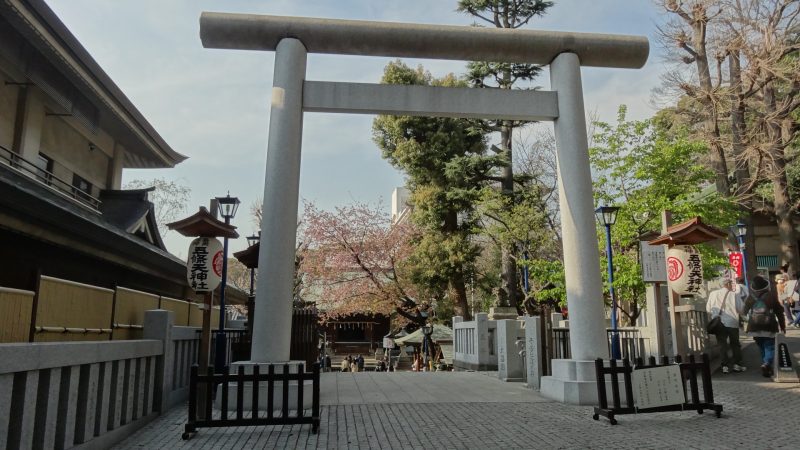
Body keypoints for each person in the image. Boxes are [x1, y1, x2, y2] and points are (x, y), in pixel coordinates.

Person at [743, 274, 786, 377]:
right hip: (769, 325)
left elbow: (744, 311)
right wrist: (783, 326)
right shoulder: (771, 296)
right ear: (765, 286)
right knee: (770, 346)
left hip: (754, 326)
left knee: (762, 346)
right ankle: (767, 364)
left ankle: (766, 364)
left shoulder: (751, 297)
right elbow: (779, 312)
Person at [706, 276, 745, 373]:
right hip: (732, 323)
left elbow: (708, 309)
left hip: (718, 324)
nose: (732, 286)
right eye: (731, 284)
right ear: (727, 284)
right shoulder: (734, 295)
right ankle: (737, 365)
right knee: (735, 344)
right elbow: (741, 309)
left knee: (722, 344)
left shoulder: (713, 294)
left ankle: (725, 366)